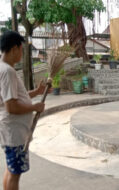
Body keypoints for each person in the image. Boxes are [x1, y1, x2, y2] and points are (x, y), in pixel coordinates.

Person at [0, 31, 47, 190]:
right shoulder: (7, 72)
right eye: (21, 50)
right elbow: (11, 106)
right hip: (14, 133)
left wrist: (36, 92)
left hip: (12, 132)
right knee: (15, 174)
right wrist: (34, 107)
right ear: (14, 49)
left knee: (11, 170)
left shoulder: (4, 68)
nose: (22, 54)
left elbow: (15, 97)